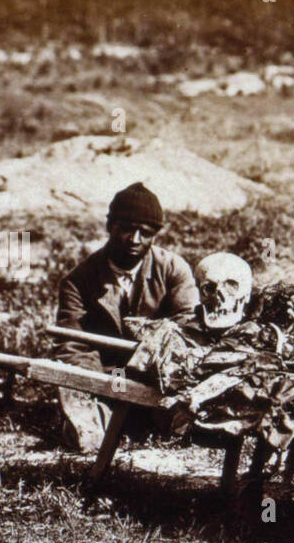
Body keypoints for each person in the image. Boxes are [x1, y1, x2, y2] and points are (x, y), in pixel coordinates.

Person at [53, 183, 200, 451]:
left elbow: (188, 330)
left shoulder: (173, 270)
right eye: (126, 229)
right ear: (111, 227)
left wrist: (152, 369)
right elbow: (72, 346)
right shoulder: (79, 281)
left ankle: (147, 420)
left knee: (186, 422)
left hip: (157, 377)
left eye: (145, 233)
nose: (134, 239)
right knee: (87, 431)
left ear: (156, 235)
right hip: (108, 376)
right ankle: (101, 419)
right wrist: (107, 386)